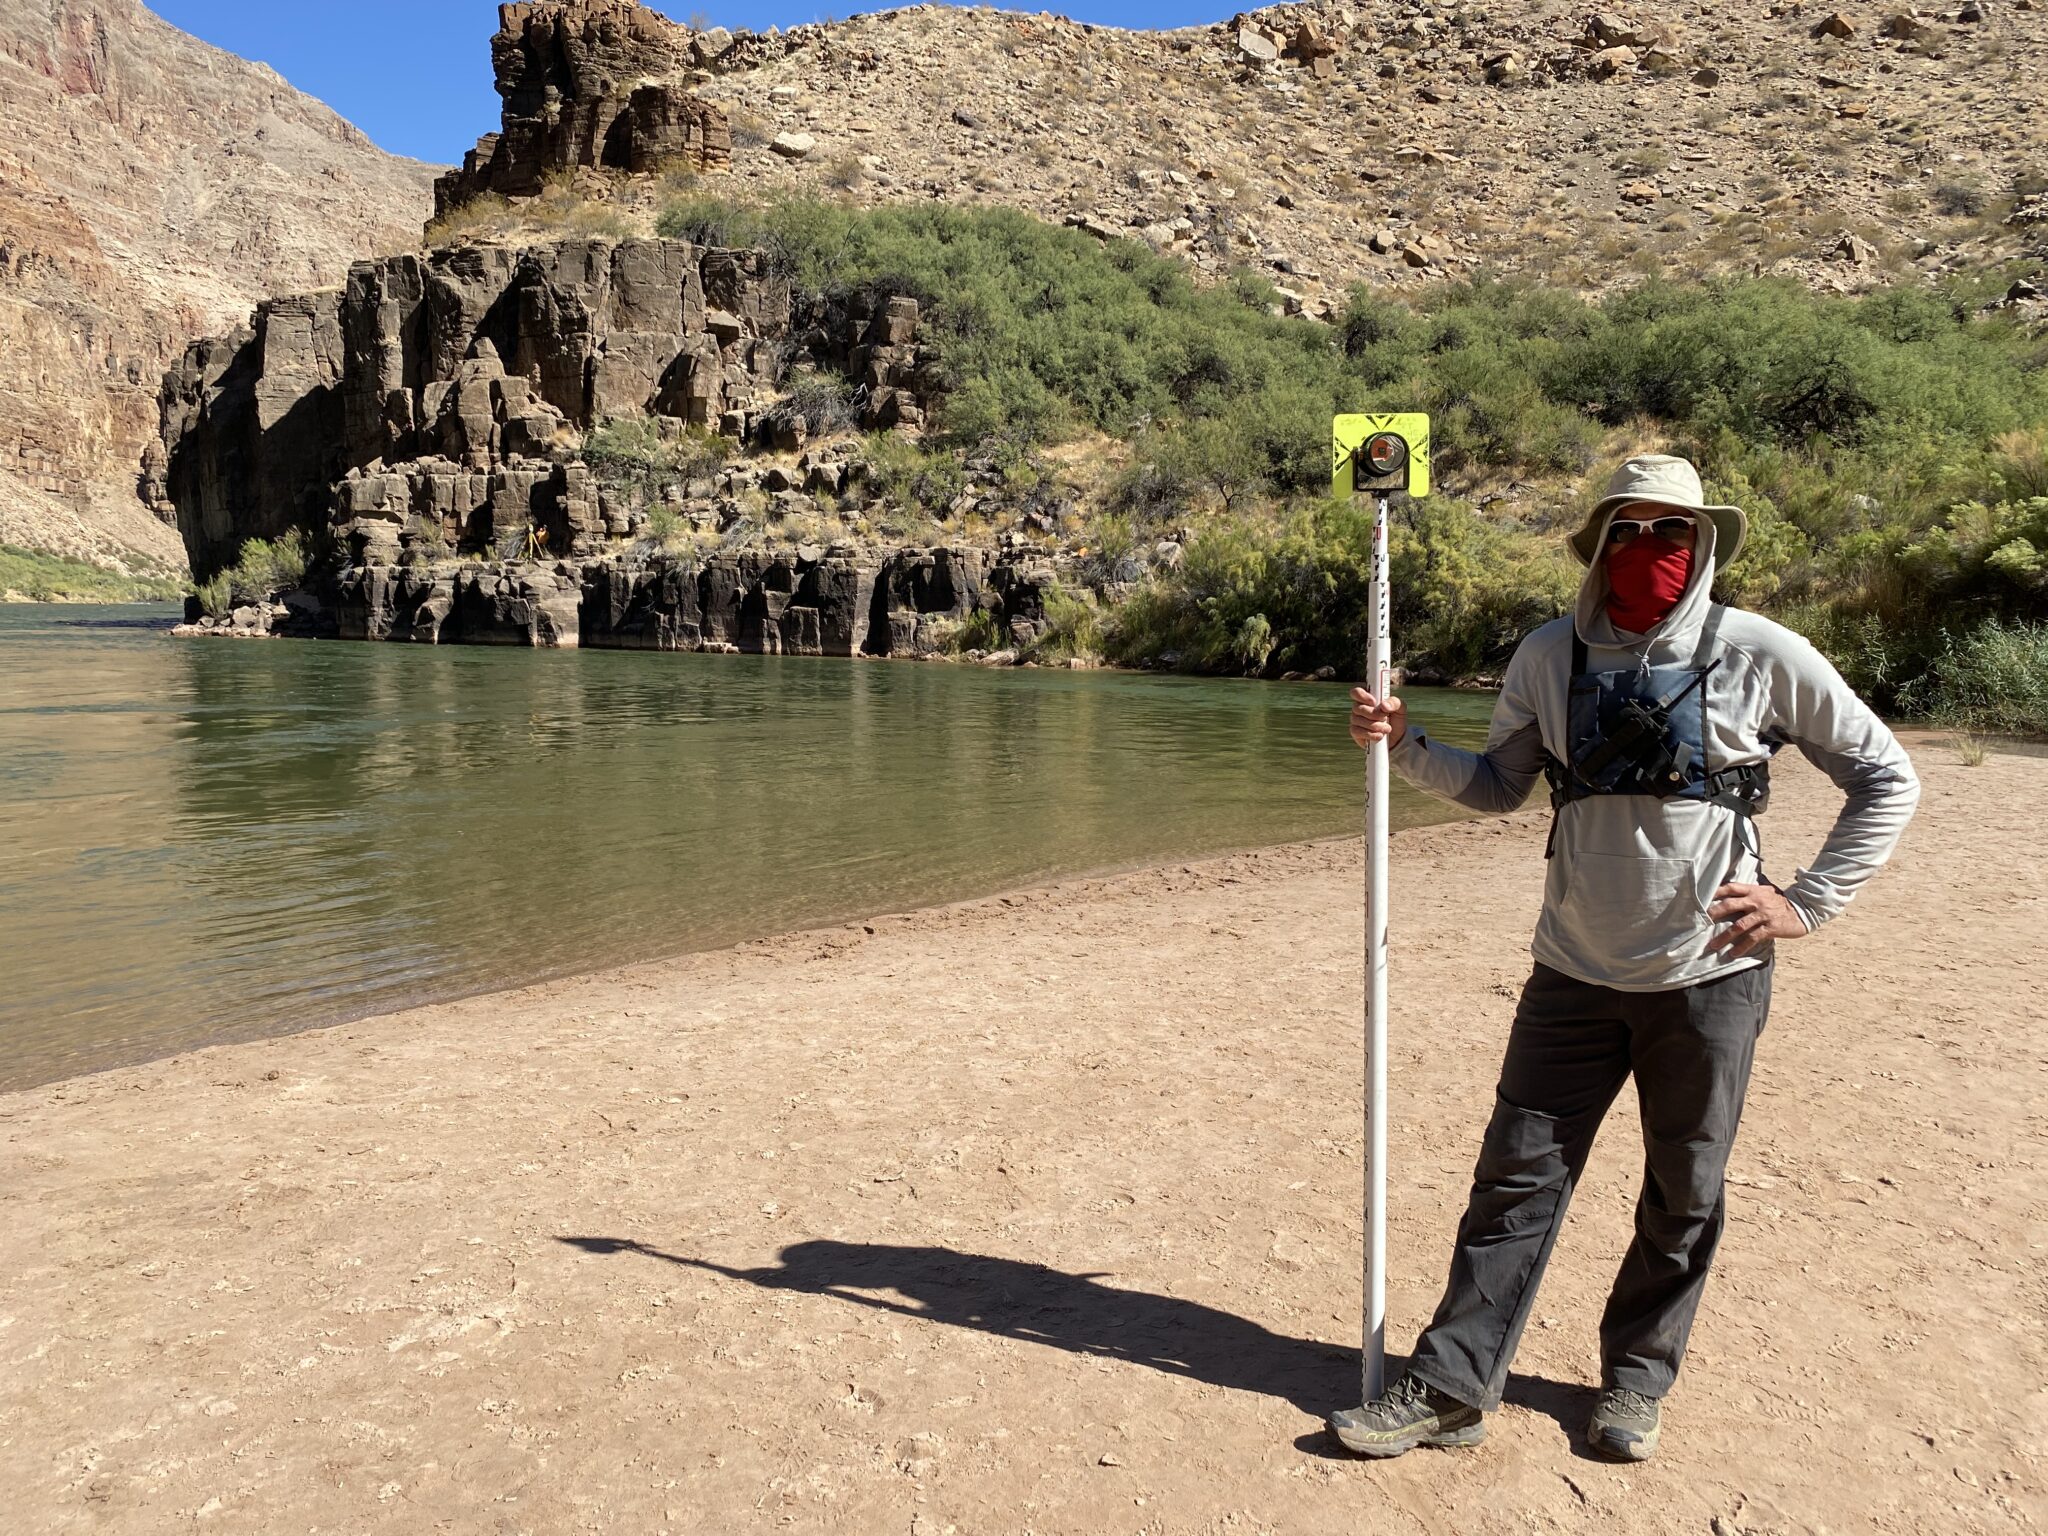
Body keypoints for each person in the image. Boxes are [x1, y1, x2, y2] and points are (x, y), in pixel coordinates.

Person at [1330, 454, 1919, 1462]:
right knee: (1513, 1181)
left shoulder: (1757, 651)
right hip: (1569, 971)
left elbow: (1885, 776)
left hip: (1709, 978)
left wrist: (1803, 902)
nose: (1649, 552)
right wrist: (1403, 742)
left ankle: (1633, 1383)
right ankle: (1450, 1387)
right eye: (1629, 532)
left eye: (1671, 534)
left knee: (1682, 1191)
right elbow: (1496, 788)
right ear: (1596, 544)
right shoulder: (1545, 656)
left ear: (1702, 549)